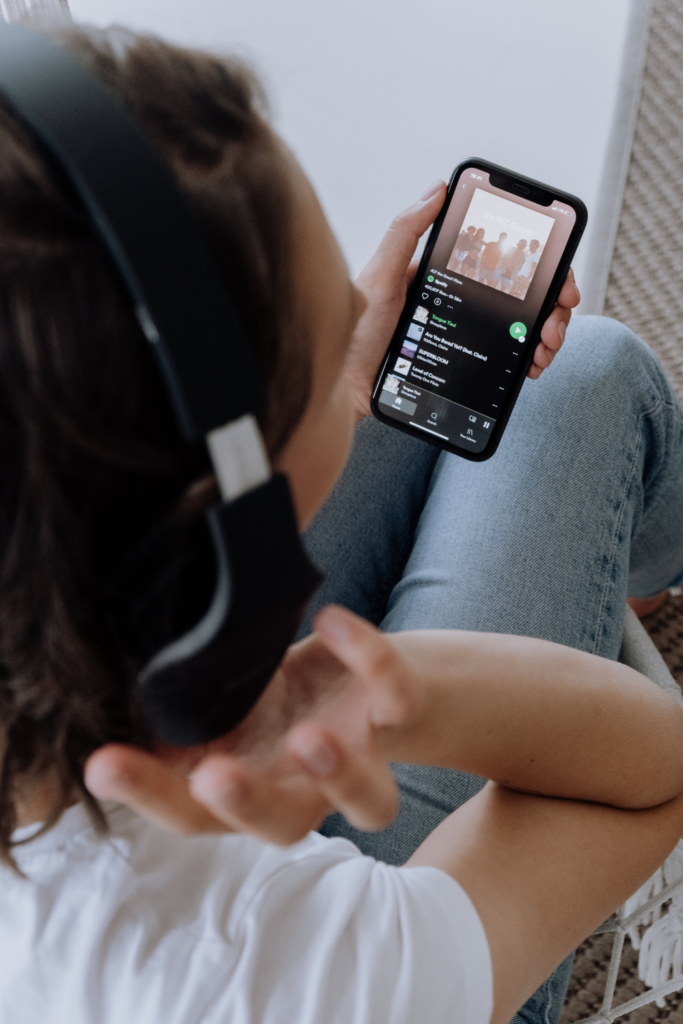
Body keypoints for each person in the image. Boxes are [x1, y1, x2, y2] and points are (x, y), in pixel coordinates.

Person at [3, 24, 683, 1024]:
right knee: (591, 375)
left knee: (540, 384)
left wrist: (322, 372)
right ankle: (629, 583)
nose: (363, 332)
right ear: (219, 562)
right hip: (394, 945)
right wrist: (394, 699)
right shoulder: (271, 979)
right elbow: (651, 775)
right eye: (332, 358)